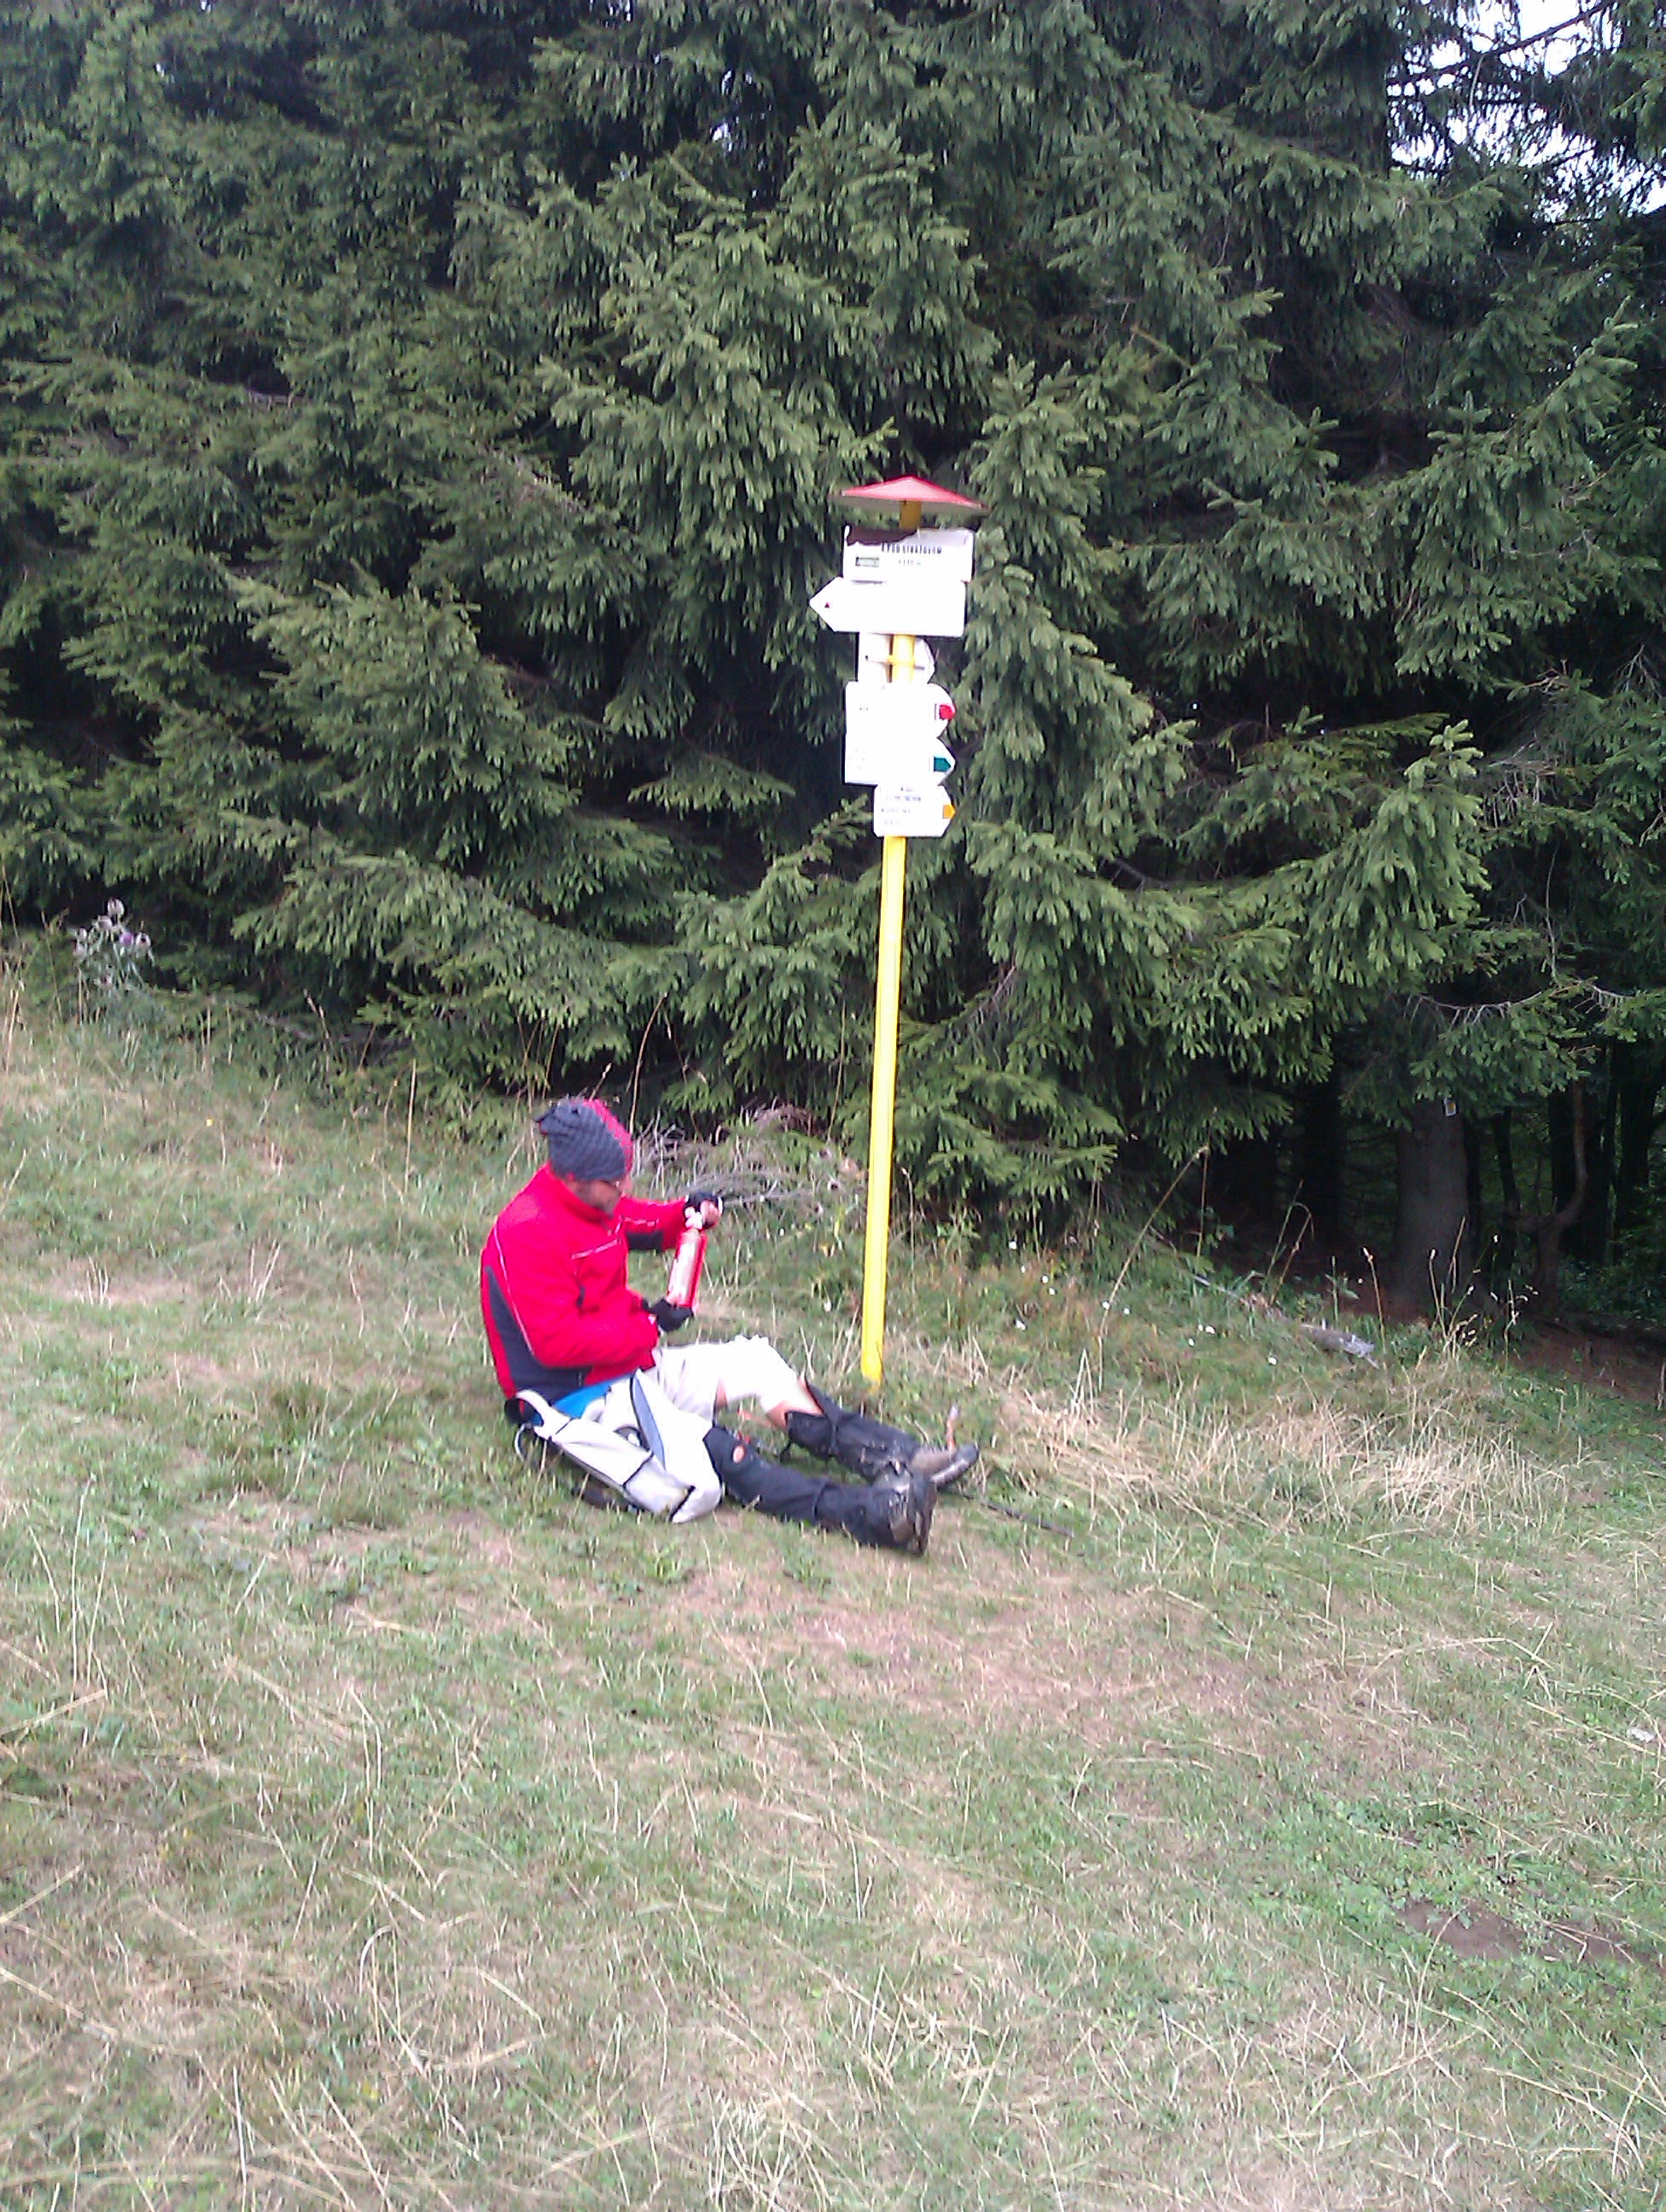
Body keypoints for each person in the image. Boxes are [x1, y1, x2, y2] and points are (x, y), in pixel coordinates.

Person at [481, 1097, 979, 1555]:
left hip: (628, 1369)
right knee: (721, 1454)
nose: (625, 1188)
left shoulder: (593, 1201)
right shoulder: (527, 1232)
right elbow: (555, 1344)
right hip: (575, 1400)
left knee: (756, 1361)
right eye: (615, 1181)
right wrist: (651, 1326)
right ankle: (877, 1516)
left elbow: (637, 1222)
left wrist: (686, 1215)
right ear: (574, 1177)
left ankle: (899, 1459)